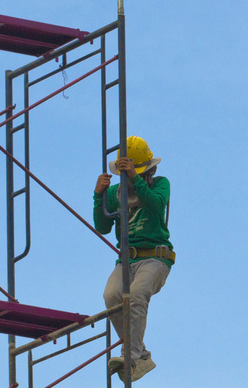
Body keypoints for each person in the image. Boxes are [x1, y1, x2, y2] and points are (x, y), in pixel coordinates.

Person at [93, 135, 174, 382]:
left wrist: (136, 179)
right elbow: (102, 226)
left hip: (155, 258)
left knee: (137, 294)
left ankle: (131, 355)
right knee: (112, 296)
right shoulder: (117, 192)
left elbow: (155, 206)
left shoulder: (160, 184)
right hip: (127, 260)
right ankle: (140, 356)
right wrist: (99, 196)